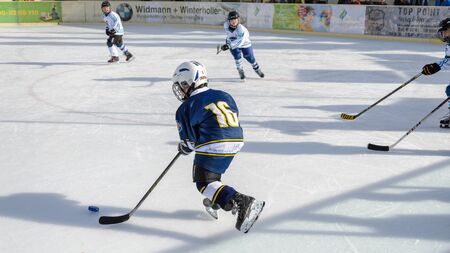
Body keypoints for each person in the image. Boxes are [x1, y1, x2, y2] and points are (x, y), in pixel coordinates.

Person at [171, 61, 265, 233]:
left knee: (203, 183)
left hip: (213, 143)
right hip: (236, 140)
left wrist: (184, 147)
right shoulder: (225, 95)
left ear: (187, 82)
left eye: (181, 85)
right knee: (213, 178)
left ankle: (241, 201)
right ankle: (218, 201)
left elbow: (190, 142)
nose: (180, 89)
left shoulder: (185, 107)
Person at [421, 18, 450, 128]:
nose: (443, 34)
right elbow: (448, 61)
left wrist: (437, 66)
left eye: (445, 31)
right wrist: (435, 66)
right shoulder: (449, 45)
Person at [219, 11, 264, 80]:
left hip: (245, 44)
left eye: (235, 20)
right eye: (232, 20)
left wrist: (229, 45)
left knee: (249, 57)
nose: (234, 21)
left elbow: (240, 42)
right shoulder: (226, 25)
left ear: (238, 20)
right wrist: (227, 43)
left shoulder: (242, 29)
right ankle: (240, 70)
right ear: (229, 21)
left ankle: (256, 68)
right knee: (237, 56)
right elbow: (229, 36)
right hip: (233, 43)